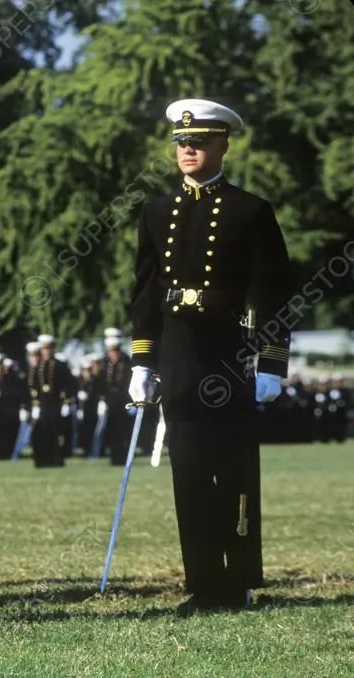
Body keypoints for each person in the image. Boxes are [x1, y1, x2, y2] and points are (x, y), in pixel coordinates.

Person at [129, 99, 291, 615]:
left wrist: (271, 361)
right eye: (181, 142)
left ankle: (238, 580)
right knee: (190, 473)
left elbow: (273, 293)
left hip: (231, 354)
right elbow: (146, 293)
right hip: (178, 355)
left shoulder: (251, 211)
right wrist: (141, 360)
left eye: (198, 142)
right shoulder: (156, 213)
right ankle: (202, 583)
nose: (188, 150)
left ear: (224, 145)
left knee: (234, 468)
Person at [27, 335, 73, 468]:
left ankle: (56, 459)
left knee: (55, 432)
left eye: (49, 349)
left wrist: (66, 402)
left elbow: (68, 385)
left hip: (56, 403)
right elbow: (33, 386)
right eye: (44, 349)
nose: (46, 351)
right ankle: (42, 460)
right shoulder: (38, 366)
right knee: (41, 432)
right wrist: (35, 404)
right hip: (42, 404)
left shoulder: (60, 365)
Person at [94, 333, 133, 464]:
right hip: (109, 401)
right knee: (110, 430)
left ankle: (122, 456)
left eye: (116, 351)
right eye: (111, 351)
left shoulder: (127, 362)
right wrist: (101, 400)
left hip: (123, 402)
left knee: (122, 430)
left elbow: (130, 382)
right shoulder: (104, 363)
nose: (114, 354)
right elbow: (99, 383)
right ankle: (112, 456)